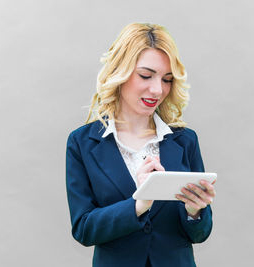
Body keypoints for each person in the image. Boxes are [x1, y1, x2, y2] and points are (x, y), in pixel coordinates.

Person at [65, 22, 216, 267]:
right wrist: (139, 204)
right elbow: (84, 229)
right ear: (120, 72)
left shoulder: (185, 140)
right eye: (146, 76)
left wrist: (194, 211)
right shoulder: (82, 142)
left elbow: (200, 234)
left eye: (167, 79)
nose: (157, 90)